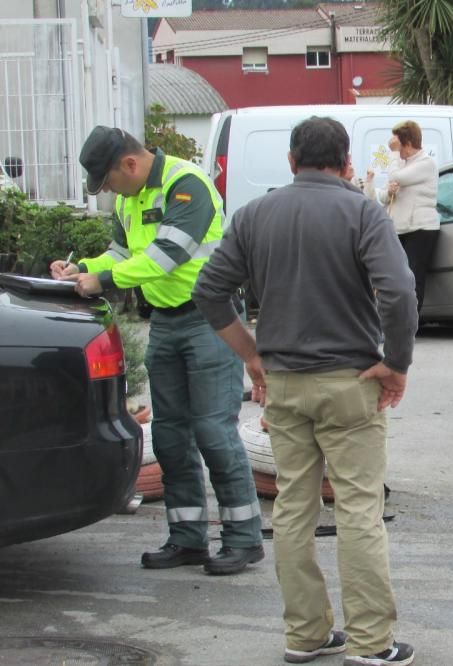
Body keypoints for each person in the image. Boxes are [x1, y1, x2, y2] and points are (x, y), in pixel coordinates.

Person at [192, 116, 418, 666]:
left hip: (284, 386)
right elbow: (399, 290)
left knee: (293, 508)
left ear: (291, 162)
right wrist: (395, 362)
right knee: (360, 510)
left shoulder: (254, 215)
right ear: (345, 166)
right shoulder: (362, 211)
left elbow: (209, 291)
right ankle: (370, 642)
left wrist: (252, 356)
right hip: (350, 384)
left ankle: (306, 634)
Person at [52, 126, 263, 576]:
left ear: (129, 164)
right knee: (170, 436)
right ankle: (187, 538)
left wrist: (103, 281)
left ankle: (243, 538)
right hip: (166, 323)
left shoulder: (185, 184)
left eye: (108, 182)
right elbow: (120, 253)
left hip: (211, 320)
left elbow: (170, 253)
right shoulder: (130, 199)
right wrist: (83, 268)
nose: (108, 192)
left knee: (213, 433)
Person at [364, 120, 439, 312]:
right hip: (401, 228)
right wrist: (381, 189)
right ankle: (395, 318)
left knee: (414, 277)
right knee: (397, 277)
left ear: (408, 143)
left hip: (420, 228)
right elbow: (385, 194)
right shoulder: (403, 165)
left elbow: (397, 177)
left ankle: (412, 323)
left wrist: (393, 153)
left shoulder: (426, 163)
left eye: (399, 147)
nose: (398, 152)